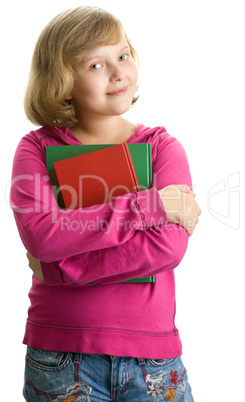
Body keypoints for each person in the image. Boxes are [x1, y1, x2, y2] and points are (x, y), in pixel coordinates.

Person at [10, 6, 201, 401]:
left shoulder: (162, 148)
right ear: (62, 81)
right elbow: (44, 236)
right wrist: (150, 206)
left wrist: (61, 271)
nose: (118, 73)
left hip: (153, 361)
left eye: (123, 55)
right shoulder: (37, 148)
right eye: (96, 64)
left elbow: (166, 248)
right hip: (61, 356)